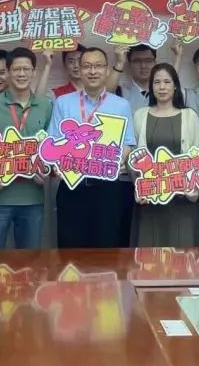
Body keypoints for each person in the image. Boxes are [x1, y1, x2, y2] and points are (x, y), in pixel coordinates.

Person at [50, 47, 136, 247]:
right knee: (71, 250)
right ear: (79, 70)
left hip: (108, 189)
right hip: (72, 187)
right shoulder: (63, 103)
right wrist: (57, 164)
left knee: (108, 249)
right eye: (87, 66)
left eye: (98, 66)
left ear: (107, 70)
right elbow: (53, 142)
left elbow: (128, 143)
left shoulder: (121, 105)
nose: (93, 71)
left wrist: (119, 160)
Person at [0, 47, 53, 250]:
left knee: (30, 261)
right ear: (8, 72)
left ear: (34, 72)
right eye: (16, 69)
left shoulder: (45, 106)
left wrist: (45, 170)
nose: (21, 74)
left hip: (32, 197)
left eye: (26, 69)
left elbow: (50, 146)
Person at [131, 63, 199, 247]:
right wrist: (138, 187)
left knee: (183, 255)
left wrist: (194, 190)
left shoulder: (189, 116)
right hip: (150, 199)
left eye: (167, 82)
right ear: (151, 87)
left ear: (175, 86)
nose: (162, 87)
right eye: (157, 82)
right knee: (149, 256)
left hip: (182, 200)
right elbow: (133, 158)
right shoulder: (140, 115)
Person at [108, 44, 158, 112]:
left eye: (148, 61)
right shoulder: (120, 92)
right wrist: (119, 63)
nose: (143, 66)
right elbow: (105, 97)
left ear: (155, 63)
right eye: (137, 61)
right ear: (129, 64)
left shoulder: (163, 90)